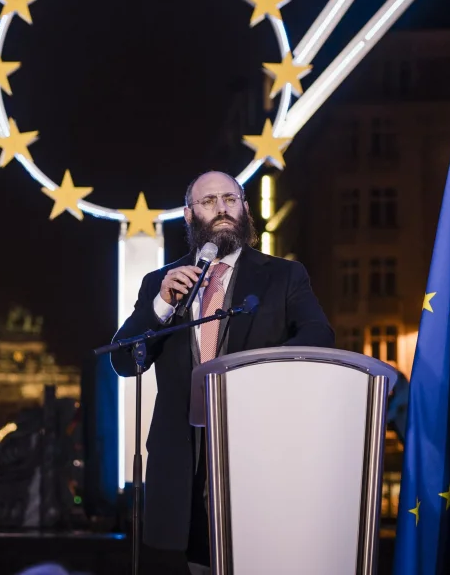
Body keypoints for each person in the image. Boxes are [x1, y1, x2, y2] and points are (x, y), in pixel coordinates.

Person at [111, 170, 335, 574]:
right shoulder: (160, 283)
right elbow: (125, 361)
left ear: (245, 207)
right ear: (188, 214)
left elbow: (319, 334)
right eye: (209, 202)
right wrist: (161, 304)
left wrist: (260, 374)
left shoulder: (284, 276)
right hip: (184, 464)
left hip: (259, 454)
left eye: (230, 200)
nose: (222, 210)